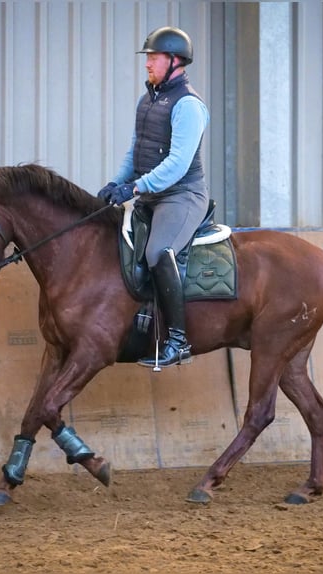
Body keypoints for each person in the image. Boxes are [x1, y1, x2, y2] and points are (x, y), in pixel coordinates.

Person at [98, 26, 210, 368]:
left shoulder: (188, 105)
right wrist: (115, 183)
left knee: (159, 252)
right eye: (148, 57)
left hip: (182, 195)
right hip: (150, 195)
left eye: (154, 57)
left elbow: (177, 164)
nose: (147, 63)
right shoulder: (148, 99)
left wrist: (132, 189)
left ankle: (178, 340)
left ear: (175, 61)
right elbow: (136, 152)